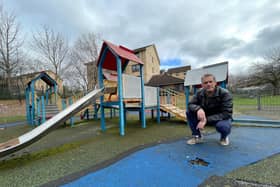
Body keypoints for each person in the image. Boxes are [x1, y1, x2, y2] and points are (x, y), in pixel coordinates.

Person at [186, 73, 233, 146]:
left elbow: (227, 114)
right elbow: (190, 104)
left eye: (210, 82)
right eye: (205, 83)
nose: (208, 84)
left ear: (215, 83)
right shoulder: (199, 93)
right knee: (189, 112)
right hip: (205, 115)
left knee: (224, 126)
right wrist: (198, 109)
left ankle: (224, 137)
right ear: (202, 85)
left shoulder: (225, 94)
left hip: (221, 118)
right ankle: (197, 136)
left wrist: (205, 120)